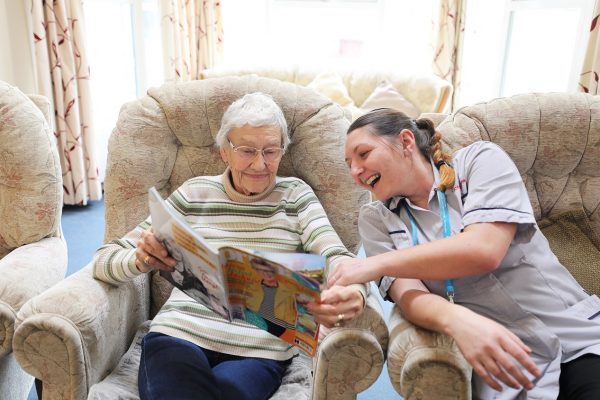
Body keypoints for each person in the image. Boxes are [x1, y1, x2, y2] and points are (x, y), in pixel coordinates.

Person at [93, 92, 366, 400]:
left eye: (271, 151)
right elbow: (105, 260)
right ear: (224, 151)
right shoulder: (194, 193)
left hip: (258, 349)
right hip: (179, 334)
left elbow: (334, 254)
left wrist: (354, 290)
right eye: (247, 151)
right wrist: (140, 259)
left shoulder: (296, 196)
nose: (260, 164)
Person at [330, 108, 600, 399]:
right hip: (503, 364)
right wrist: (456, 319)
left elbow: (484, 250)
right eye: (348, 164)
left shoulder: (480, 161)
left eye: (363, 154)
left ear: (406, 141)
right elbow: (408, 295)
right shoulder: (376, 221)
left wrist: (372, 264)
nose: (355, 171)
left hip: (579, 341)